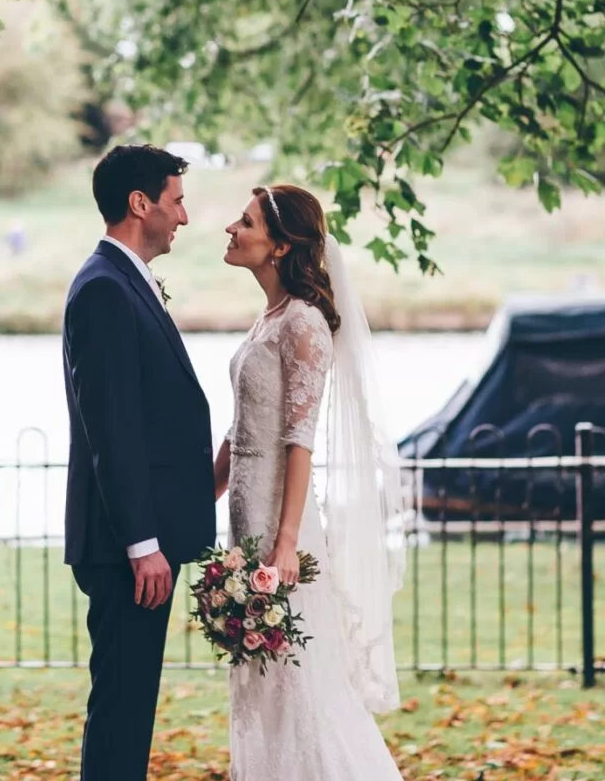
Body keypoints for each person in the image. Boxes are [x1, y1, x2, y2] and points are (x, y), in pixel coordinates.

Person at [216, 183, 407, 779]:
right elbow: (243, 428)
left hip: (281, 529)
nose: (230, 229)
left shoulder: (303, 323)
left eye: (244, 222)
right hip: (246, 526)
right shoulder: (267, 318)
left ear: (280, 245)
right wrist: (205, 491)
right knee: (261, 683)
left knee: (298, 681)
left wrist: (285, 544)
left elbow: (299, 440)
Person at [60, 144, 214, 781]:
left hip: (142, 543)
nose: (183, 217)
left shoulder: (125, 282)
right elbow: (112, 428)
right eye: (176, 201)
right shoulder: (103, 289)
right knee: (122, 707)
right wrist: (142, 542)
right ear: (139, 203)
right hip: (128, 548)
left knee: (130, 707)